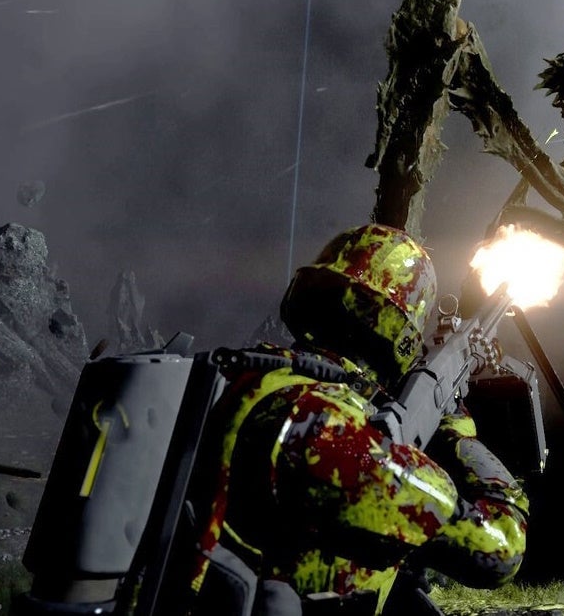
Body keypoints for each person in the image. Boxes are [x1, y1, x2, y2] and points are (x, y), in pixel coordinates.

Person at [181, 224, 529, 616]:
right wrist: (457, 432)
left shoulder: (252, 382)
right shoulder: (329, 429)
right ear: (403, 333)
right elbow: (501, 549)